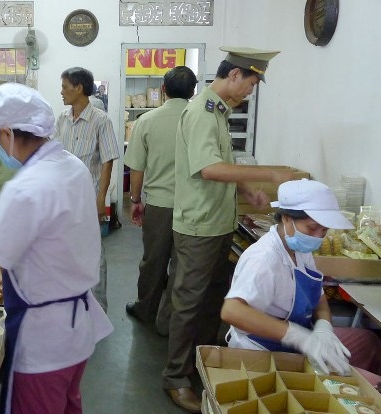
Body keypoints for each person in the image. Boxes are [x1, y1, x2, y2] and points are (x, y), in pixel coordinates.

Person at [0, 83, 113, 414]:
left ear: (6, 133)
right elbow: (54, 230)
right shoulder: (71, 167)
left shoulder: (26, 187)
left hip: (44, 339)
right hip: (78, 327)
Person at [162, 46, 295, 413]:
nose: (250, 92)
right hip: (199, 226)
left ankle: (200, 363)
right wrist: (268, 175)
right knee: (188, 304)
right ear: (234, 75)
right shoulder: (202, 112)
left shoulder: (219, 112)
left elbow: (222, 164)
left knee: (210, 300)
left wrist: (245, 188)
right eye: (251, 83)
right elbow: (208, 169)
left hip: (217, 223)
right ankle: (174, 379)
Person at [221, 179, 381, 383]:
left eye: (324, 231)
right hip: (261, 351)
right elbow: (232, 311)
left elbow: (318, 299)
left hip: (295, 345)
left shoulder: (300, 249)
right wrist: (299, 337)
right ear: (287, 219)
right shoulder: (264, 259)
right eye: (312, 228)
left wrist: (324, 328)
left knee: (368, 342)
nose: (318, 237)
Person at [124, 66, 197, 337]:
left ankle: (146, 308)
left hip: (159, 204)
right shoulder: (200, 119)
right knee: (183, 264)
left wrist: (135, 200)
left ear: (163, 90)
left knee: (153, 260)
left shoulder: (147, 120)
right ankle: (170, 319)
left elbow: (137, 168)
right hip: (193, 206)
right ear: (193, 91)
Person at [54, 67, 122, 313]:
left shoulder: (100, 119)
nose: (61, 92)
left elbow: (107, 160)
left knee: (93, 252)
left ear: (79, 88)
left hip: (88, 196)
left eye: (64, 87)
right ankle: (69, 302)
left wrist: (100, 198)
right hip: (63, 197)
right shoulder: (61, 119)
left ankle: (98, 308)